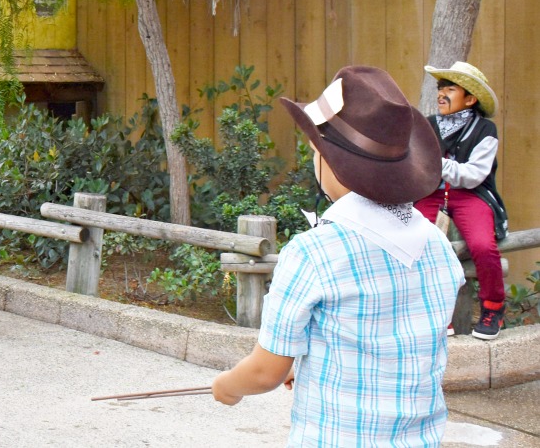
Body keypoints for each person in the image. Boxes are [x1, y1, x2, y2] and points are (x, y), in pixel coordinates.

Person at [211, 66, 464, 447]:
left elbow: (265, 372)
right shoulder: (437, 245)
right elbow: (398, 343)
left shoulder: (314, 253)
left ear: (332, 164)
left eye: (316, 151)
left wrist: (228, 386)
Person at [415, 61, 507, 339]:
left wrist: (436, 163)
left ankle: (493, 307)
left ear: (470, 98)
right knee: (415, 244)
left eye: (450, 89)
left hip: (470, 194)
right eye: (440, 87)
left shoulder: (485, 131)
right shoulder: (427, 125)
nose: (441, 93)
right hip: (430, 193)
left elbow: (473, 175)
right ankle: (434, 313)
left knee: (482, 245)